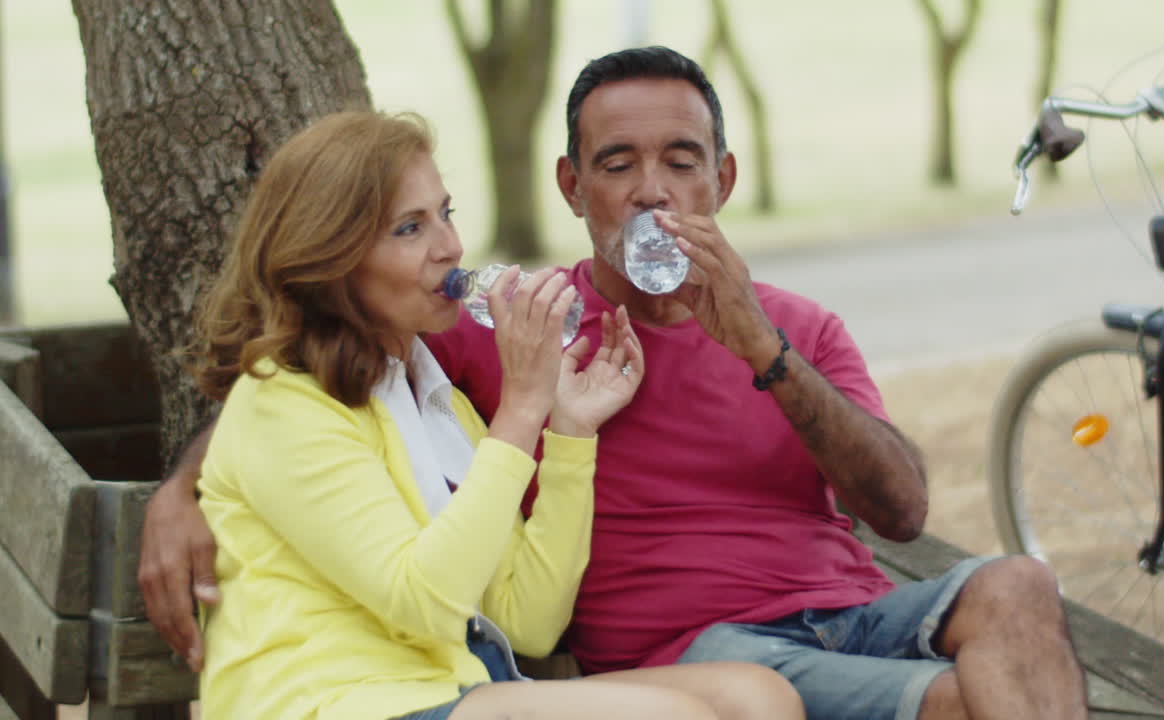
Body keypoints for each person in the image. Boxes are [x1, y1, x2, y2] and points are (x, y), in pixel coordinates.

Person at [142, 50, 1089, 720]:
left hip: (848, 614)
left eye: (681, 162)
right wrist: (183, 487)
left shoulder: (798, 329)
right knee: (969, 703)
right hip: (688, 650)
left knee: (1017, 585)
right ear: (571, 187)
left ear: (720, 179)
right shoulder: (508, 330)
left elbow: (902, 511)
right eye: (617, 164)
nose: (651, 192)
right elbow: (299, 386)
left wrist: (759, 351)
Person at [180, 109, 803, 720]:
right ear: (332, 255)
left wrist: (569, 432)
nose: (450, 247)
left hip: (457, 690)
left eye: (445, 215)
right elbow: (422, 603)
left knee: (758, 696)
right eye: (409, 229)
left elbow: (528, 621)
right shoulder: (282, 405)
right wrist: (522, 409)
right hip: (338, 703)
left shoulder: (429, 397)